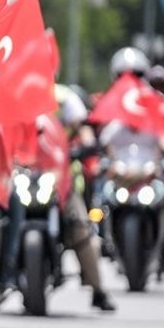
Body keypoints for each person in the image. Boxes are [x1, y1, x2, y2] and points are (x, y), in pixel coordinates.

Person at [56, 85, 118, 311]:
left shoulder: (65, 99)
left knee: (82, 229)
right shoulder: (18, 96)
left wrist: (86, 144)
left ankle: (98, 290)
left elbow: (84, 131)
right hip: (25, 177)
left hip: (61, 182)